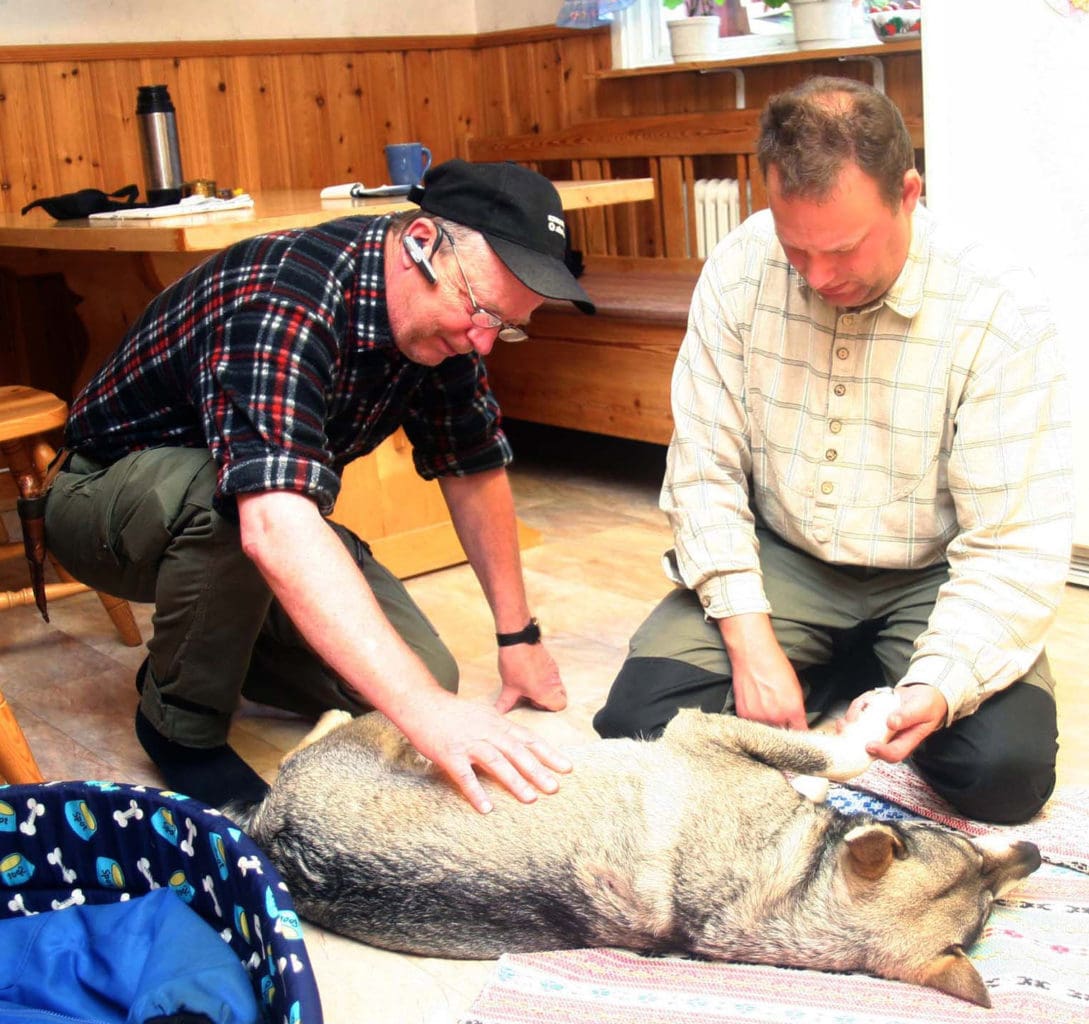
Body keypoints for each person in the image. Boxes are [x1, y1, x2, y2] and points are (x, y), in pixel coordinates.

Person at [44, 159, 596, 813]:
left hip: (240, 504)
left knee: (425, 673)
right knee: (235, 507)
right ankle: (179, 726)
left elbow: (472, 468)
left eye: (504, 324)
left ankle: (207, 651)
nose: (483, 344)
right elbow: (274, 522)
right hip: (102, 498)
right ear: (419, 243)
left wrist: (517, 638)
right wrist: (424, 711)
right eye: (480, 310)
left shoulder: (449, 325)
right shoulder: (283, 298)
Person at [593, 76, 1074, 825]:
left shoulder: (998, 309)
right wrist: (750, 643)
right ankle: (826, 664)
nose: (818, 278)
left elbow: (1011, 545)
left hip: (931, 575)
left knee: (999, 775)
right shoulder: (739, 267)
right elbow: (703, 474)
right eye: (796, 251)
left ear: (908, 193)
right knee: (638, 728)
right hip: (784, 558)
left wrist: (936, 683)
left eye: (843, 249)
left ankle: (866, 669)